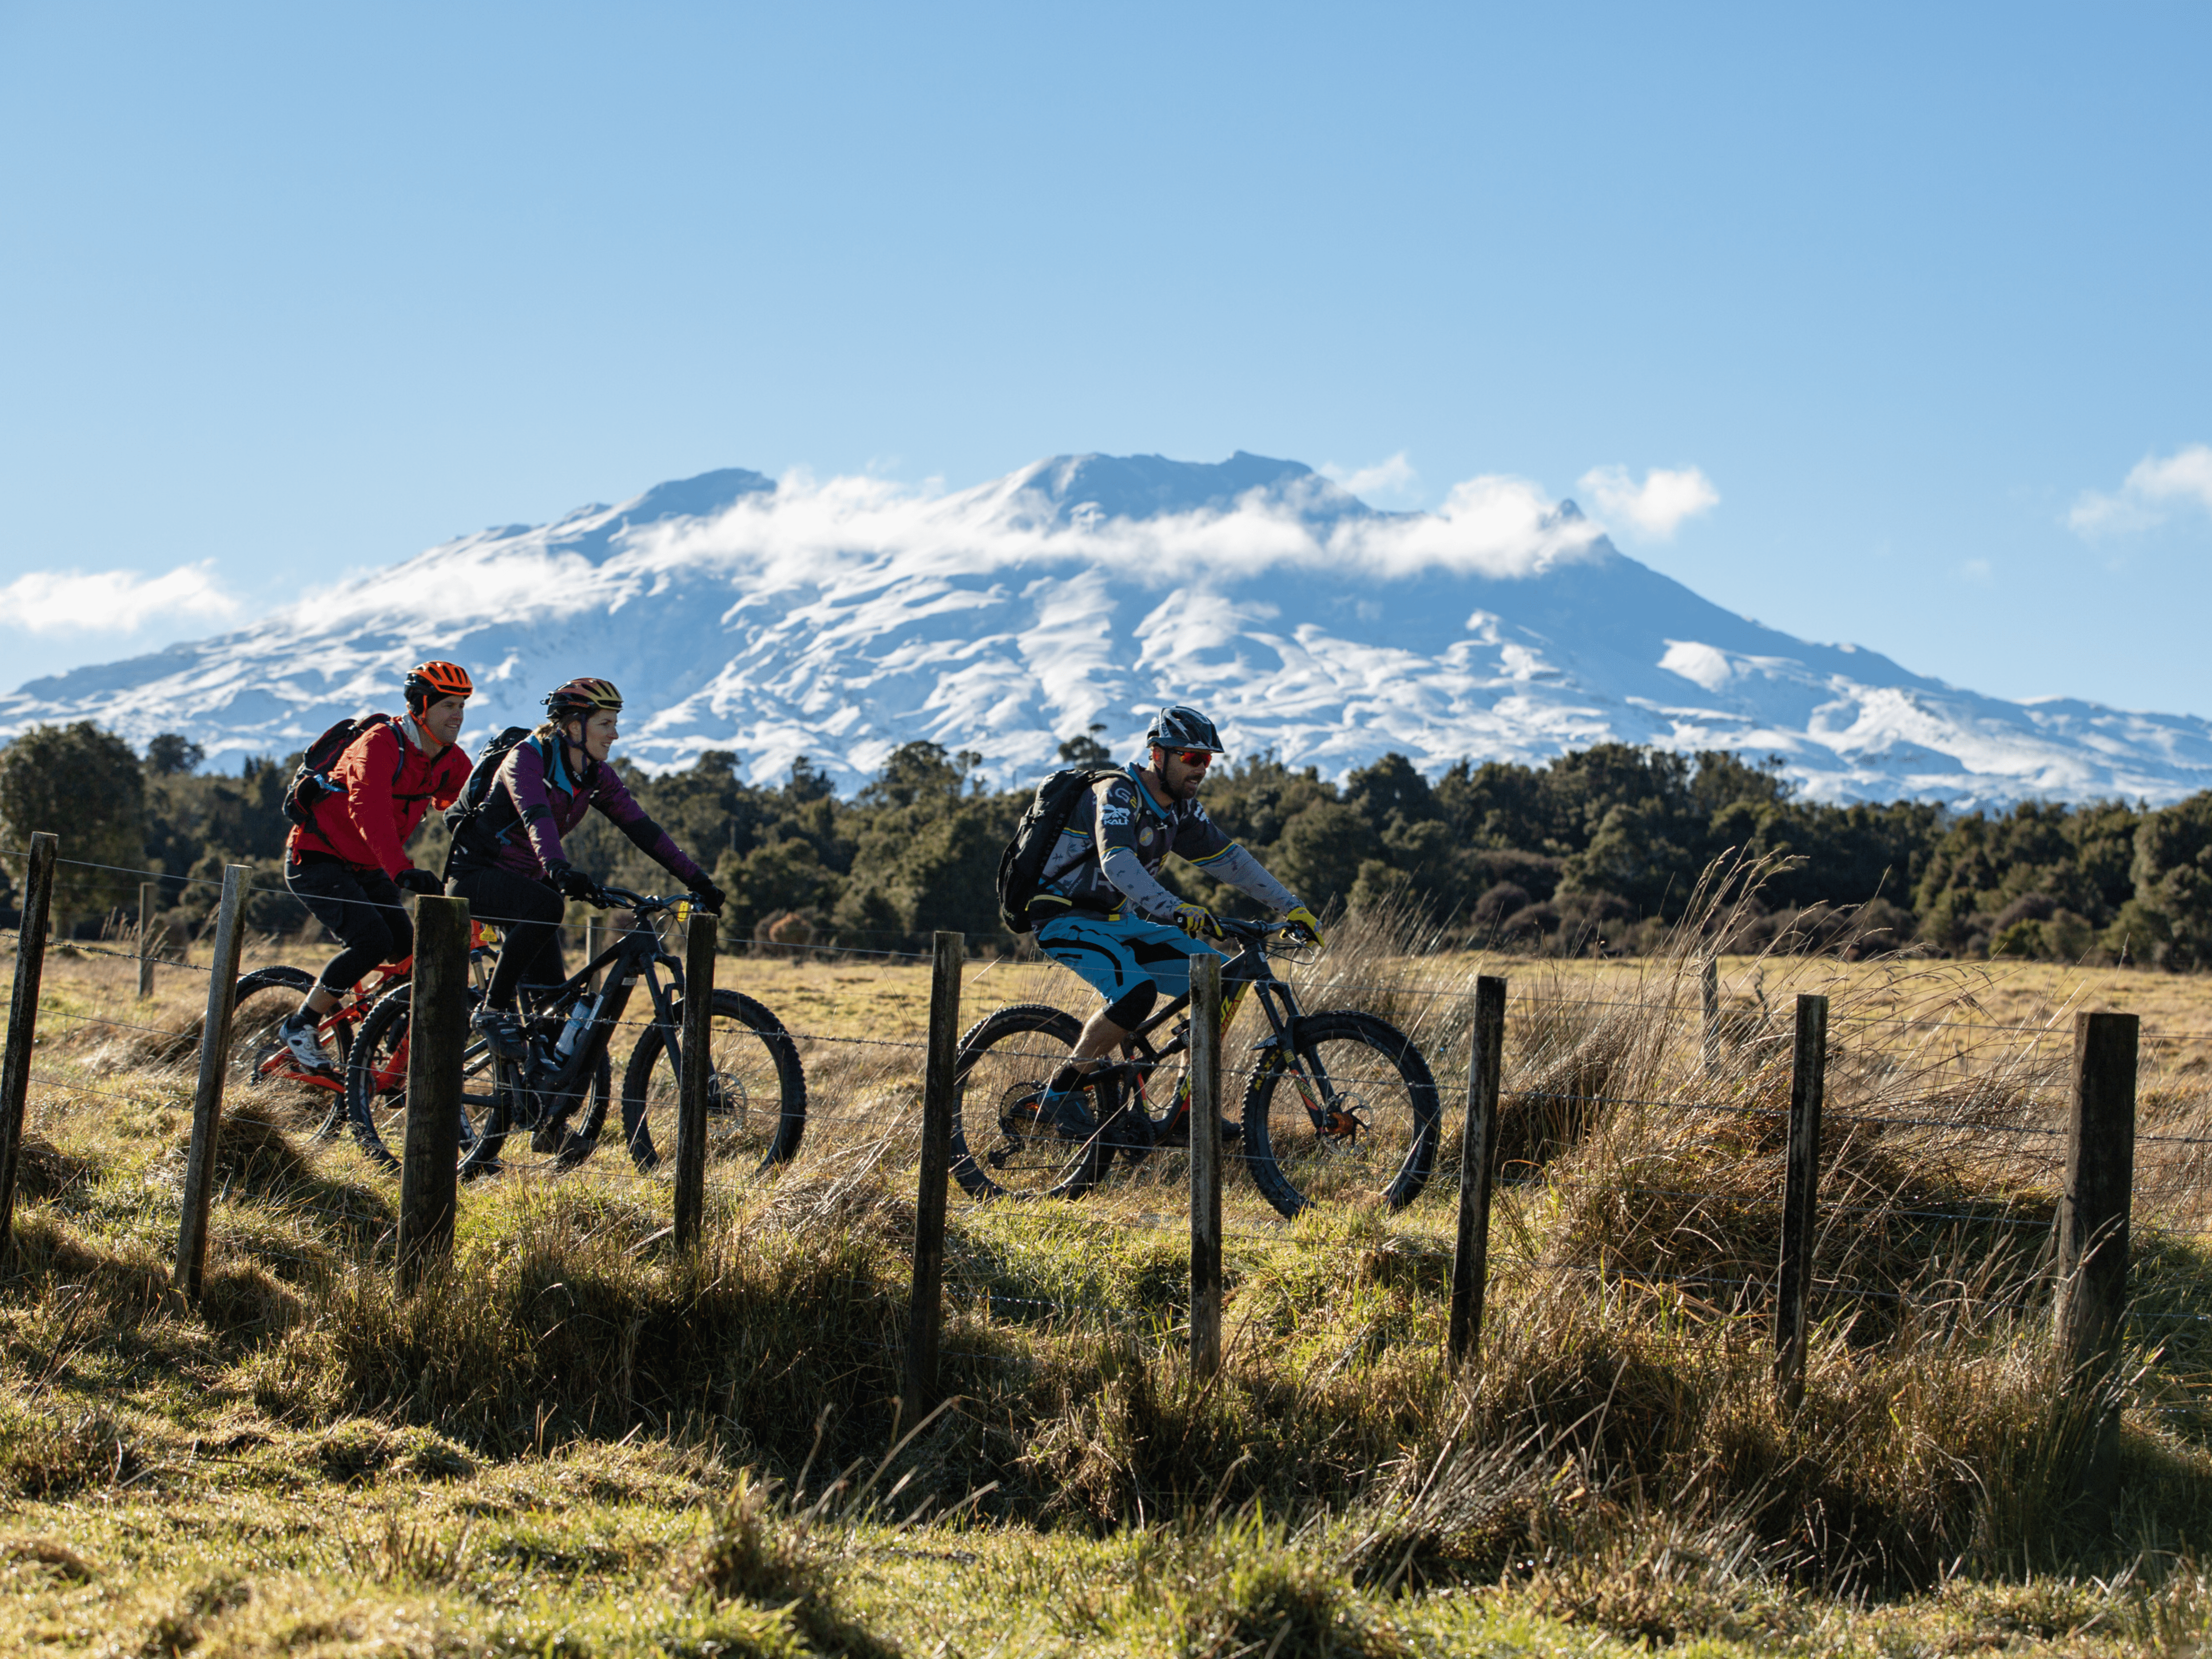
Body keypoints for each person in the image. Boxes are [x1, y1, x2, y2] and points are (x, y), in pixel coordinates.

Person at [1026, 704, 1324, 1139]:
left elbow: (1232, 861)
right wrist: (1175, 908)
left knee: (1215, 985)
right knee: (1136, 993)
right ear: (1157, 754)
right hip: (1063, 917)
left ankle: (1187, 1112)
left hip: (1119, 921)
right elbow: (1118, 863)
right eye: (1190, 757)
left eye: (1206, 760)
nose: (1201, 769)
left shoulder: (1181, 810)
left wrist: (1291, 906)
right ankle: (1058, 1096)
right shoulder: (1118, 792)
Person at [445, 676, 727, 1058]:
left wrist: (699, 880)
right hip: (475, 875)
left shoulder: (595, 775)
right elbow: (536, 818)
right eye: (606, 724)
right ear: (574, 725)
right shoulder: (527, 758)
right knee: (547, 905)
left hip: (528, 883)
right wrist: (559, 869)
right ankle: (492, 1011)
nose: (615, 734)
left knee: (552, 1010)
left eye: (615, 723)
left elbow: (644, 831)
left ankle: (541, 1099)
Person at [276, 660, 475, 1074]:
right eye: (448, 706)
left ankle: (383, 1032)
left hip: (371, 867)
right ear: (421, 706)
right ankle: (301, 1026)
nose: (457, 715)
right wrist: (402, 870)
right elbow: (368, 811)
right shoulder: (380, 744)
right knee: (370, 942)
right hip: (318, 858)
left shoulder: (451, 760)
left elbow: (468, 809)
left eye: (462, 706)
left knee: (412, 955)